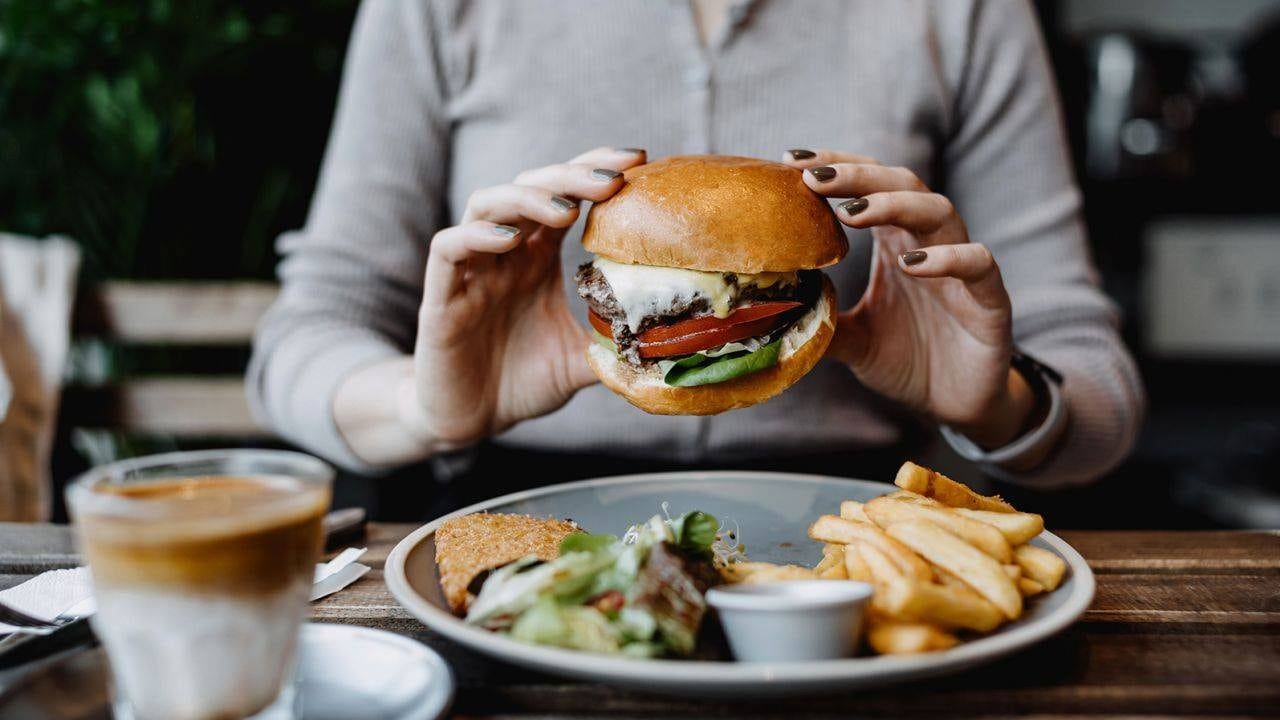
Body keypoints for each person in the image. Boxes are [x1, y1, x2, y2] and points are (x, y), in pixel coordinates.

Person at [248, 0, 1144, 498]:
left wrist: (998, 405)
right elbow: (307, 333)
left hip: (852, 522)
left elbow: (1092, 372)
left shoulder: (962, 12)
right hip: (504, 504)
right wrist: (422, 405)